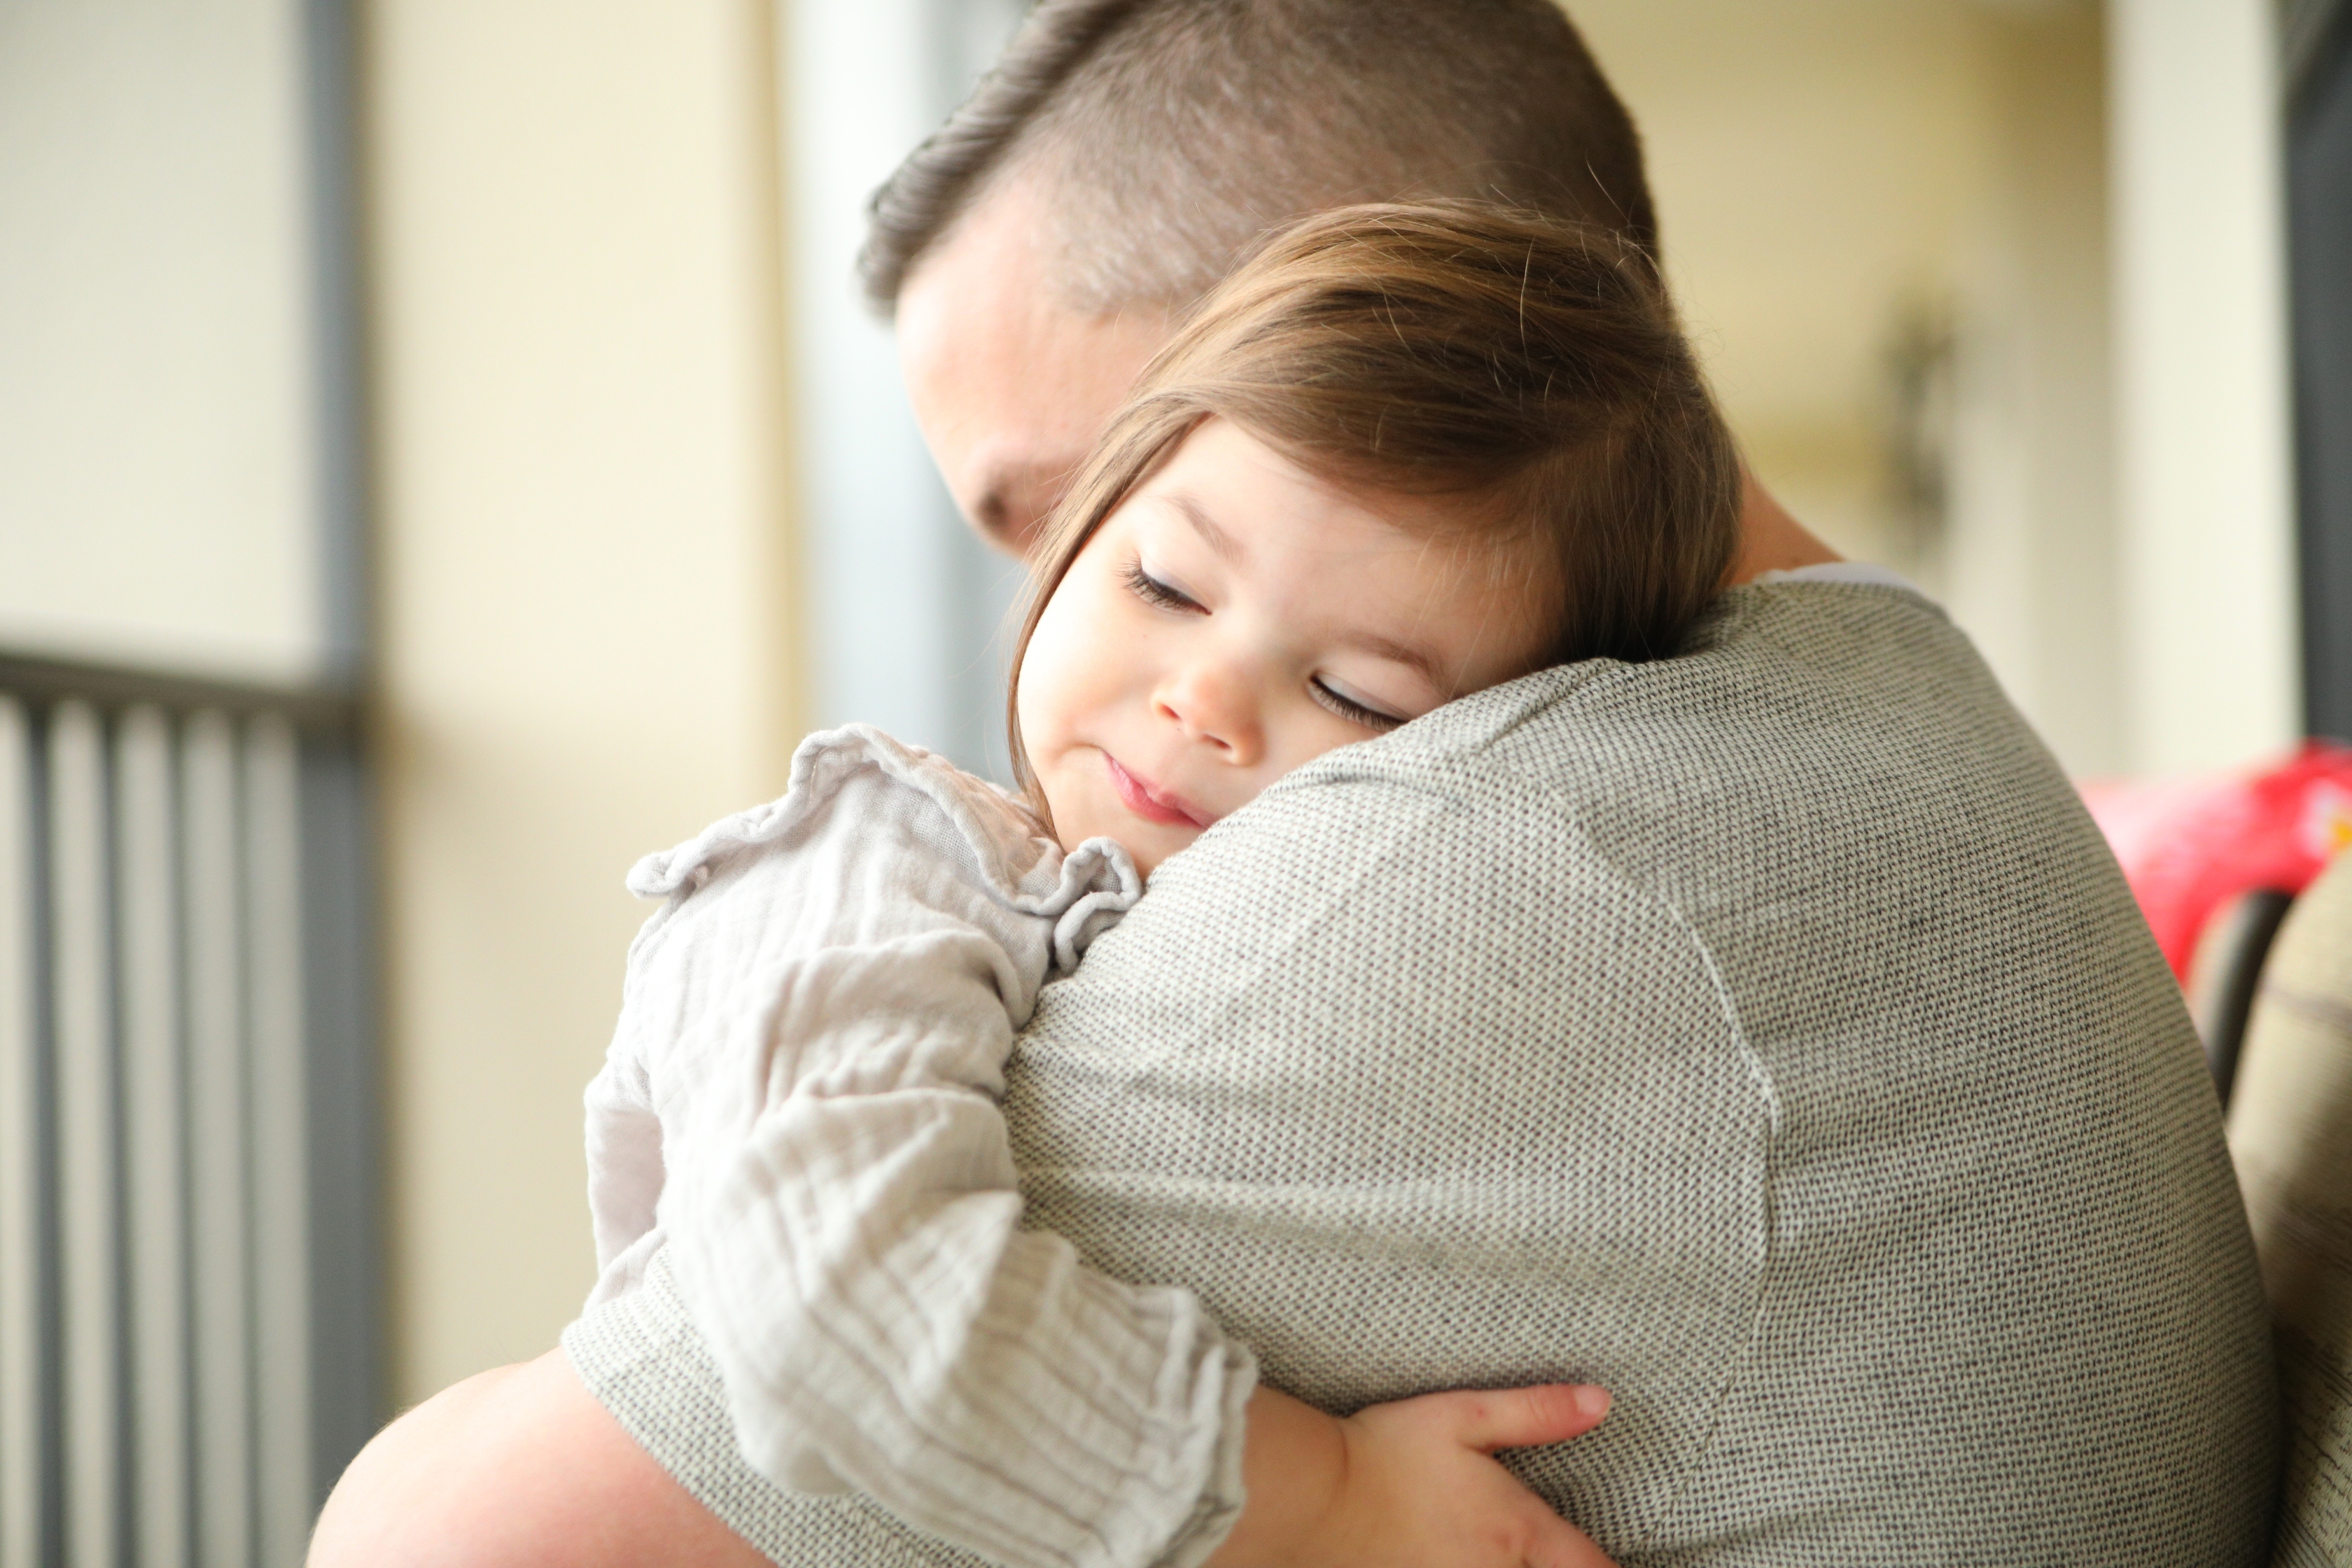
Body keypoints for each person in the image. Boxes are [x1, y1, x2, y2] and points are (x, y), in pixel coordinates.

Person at [309, 3, 2281, 1565]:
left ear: (1357, 337)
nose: (1159, 690)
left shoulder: (1508, 873)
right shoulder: (1859, 720)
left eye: (1075, 505)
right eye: (1135, 569)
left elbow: (460, 1542)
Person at [566, 201, 1732, 1568]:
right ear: (1084, 522)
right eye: (1167, 584)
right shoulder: (868, 870)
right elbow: (828, 1295)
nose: (1203, 699)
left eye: (1352, 694)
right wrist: (1329, 1498)